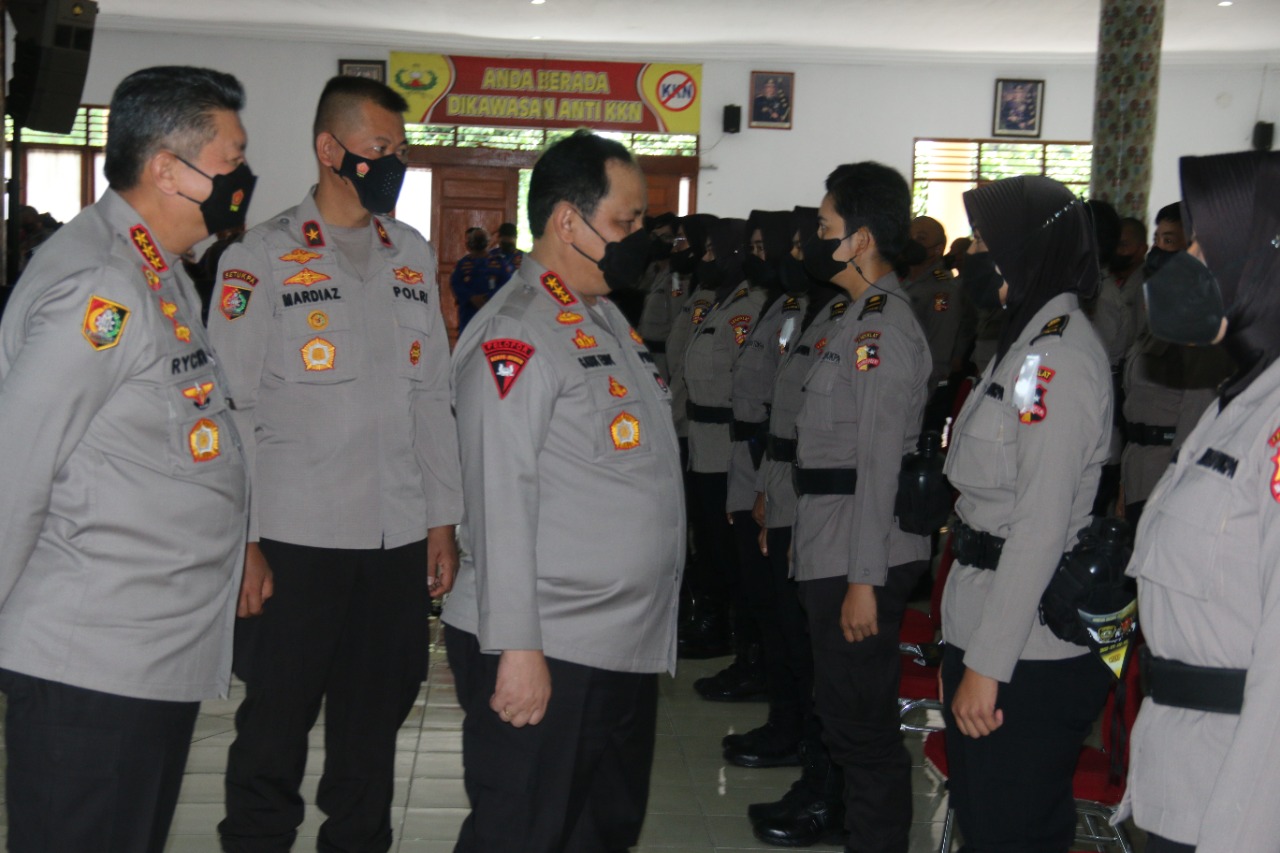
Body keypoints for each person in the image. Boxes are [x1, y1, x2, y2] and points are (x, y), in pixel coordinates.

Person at [0, 65, 254, 853]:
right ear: (167, 169)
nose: (243, 179)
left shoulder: (157, 270)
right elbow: (16, 467)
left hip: (143, 656)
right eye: (230, 159)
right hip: (91, 663)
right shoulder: (101, 287)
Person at [210, 74, 462, 853]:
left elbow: (433, 400)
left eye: (399, 150)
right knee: (275, 723)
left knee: (374, 723)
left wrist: (442, 519)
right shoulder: (260, 258)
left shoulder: (411, 254)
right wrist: (242, 538)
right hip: (295, 540)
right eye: (380, 148)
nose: (392, 163)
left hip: (392, 543)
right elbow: (231, 410)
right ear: (331, 148)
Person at [443, 129, 684, 853]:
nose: (640, 238)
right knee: (521, 832)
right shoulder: (516, 335)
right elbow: (498, 498)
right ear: (568, 222)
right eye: (627, 222)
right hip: (547, 641)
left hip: (617, 641)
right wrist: (517, 647)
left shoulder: (601, 315)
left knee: (598, 831)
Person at [941, 176, 1114, 852]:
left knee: (1012, 831)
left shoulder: (1057, 359)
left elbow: (1041, 526)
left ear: (1026, 248)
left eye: (985, 242)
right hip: (989, 616)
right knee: (989, 823)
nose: (973, 256)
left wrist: (988, 663)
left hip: (1025, 649)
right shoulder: (1023, 344)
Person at [1119, 150, 1280, 853]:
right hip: (1178, 766)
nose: (1187, 265)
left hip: (1232, 797)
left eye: (1206, 248)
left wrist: (1238, 834)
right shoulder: (1241, 396)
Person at [787, 162, 931, 853]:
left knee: (863, 730)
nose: (814, 240)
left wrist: (863, 579)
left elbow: (876, 462)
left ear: (861, 238)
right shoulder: (852, 318)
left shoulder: (882, 327)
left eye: (824, 228)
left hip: (858, 551)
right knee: (844, 717)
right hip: (834, 541)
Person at [681, 216, 768, 667]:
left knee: (724, 545)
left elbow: (748, 385)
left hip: (727, 446)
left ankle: (732, 635)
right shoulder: (721, 302)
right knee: (709, 540)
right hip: (703, 442)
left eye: (715, 252)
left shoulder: (747, 310)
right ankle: (712, 623)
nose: (705, 259)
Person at [901, 215, 976, 430]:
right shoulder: (906, 282)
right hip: (903, 385)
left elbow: (939, 353)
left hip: (923, 394)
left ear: (937, 249)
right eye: (910, 236)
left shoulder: (941, 291)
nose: (912, 242)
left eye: (921, 238)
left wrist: (920, 396)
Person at [636, 212, 680, 378]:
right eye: (655, 236)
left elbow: (677, 322)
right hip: (647, 353)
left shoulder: (676, 279)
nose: (658, 242)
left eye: (666, 237)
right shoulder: (654, 271)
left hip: (663, 359)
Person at [453, 225, 512, 333]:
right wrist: (471, 297)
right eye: (476, 241)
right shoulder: (463, 264)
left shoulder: (498, 263)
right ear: (469, 244)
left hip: (492, 315)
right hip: (469, 315)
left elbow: (507, 285)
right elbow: (456, 285)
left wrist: (488, 298)